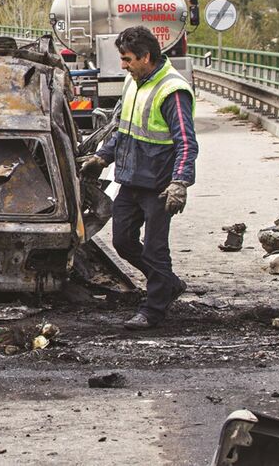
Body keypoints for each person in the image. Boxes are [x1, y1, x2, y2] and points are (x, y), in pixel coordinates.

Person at [81, 26, 198, 330]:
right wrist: (103, 156)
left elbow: (186, 142)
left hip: (159, 186)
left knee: (155, 250)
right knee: (122, 241)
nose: (123, 65)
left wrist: (180, 182)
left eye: (128, 59)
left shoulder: (172, 90)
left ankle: (153, 310)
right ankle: (168, 284)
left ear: (146, 57)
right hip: (131, 180)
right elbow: (123, 128)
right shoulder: (134, 82)